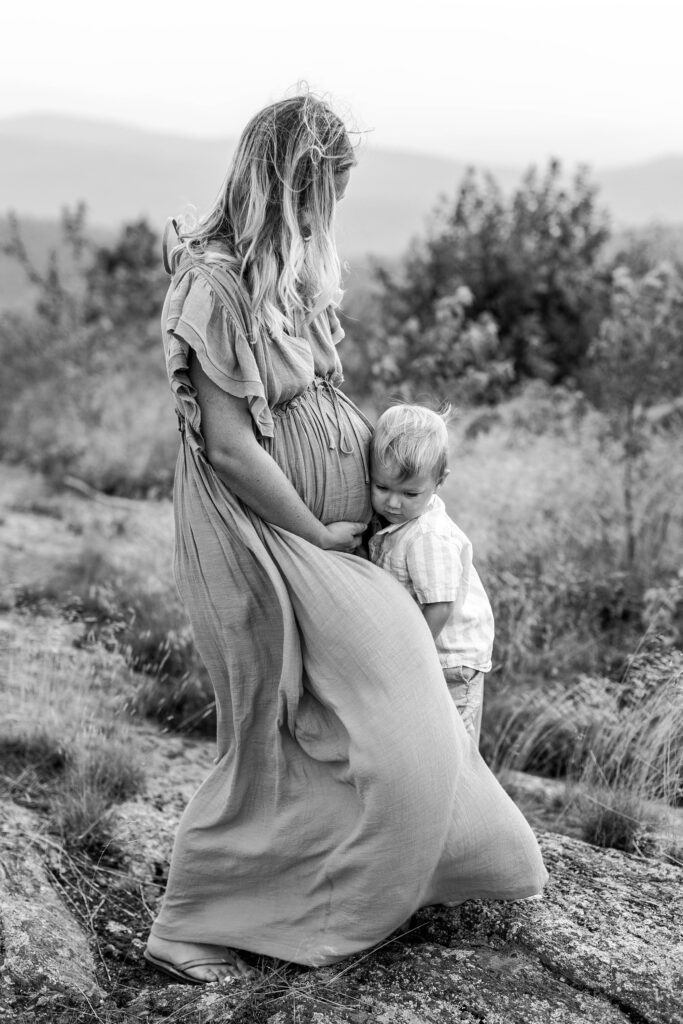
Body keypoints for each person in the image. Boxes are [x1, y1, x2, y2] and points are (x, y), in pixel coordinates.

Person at [144, 92, 547, 986]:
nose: (334, 210)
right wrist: (319, 532)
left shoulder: (287, 275)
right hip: (262, 533)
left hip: (322, 536)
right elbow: (231, 446)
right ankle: (186, 924)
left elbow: (312, 405)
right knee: (278, 730)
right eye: (328, 189)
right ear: (294, 185)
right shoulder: (212, 282)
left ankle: (380, 881)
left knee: (329, 731)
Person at [368, 404, 493, 744]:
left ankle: (463, 795)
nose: (393, 503)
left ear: (440, 481)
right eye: (382, 488)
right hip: (430, 655)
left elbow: (440, 605)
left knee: (452, 746)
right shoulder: (400, 522)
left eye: (410, 494)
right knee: (420, 741)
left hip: (450, 663)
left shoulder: (428, 536)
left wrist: (409, 656)